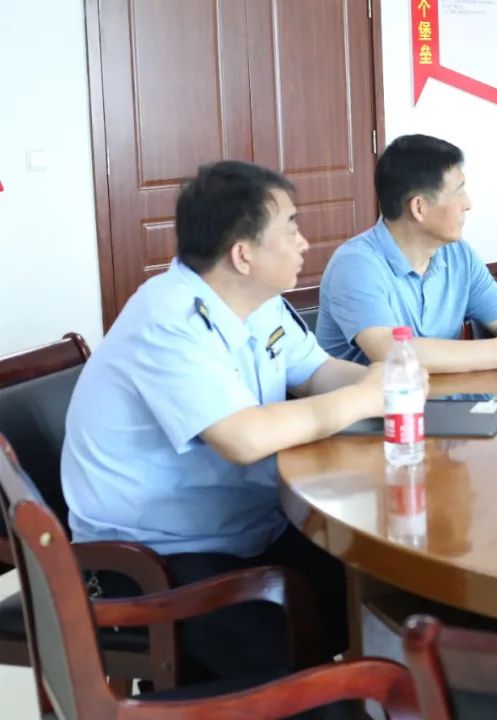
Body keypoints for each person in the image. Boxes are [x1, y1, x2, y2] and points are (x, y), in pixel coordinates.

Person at [61, 160, 412, 686]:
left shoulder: (259, 303)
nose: (304, 242)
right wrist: (363, 399)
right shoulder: (169, 320)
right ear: (243, 254)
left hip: (245, 526)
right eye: (290, 228)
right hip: (156, 559)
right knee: (288, 661)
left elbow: (316, 372)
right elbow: (243, 438)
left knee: (385, 584)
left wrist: (391, 382)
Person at [317, 134, 497, 373]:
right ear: (419, 208)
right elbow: (390, 351)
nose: (468, 204)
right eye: (458, 191)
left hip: (449, 401)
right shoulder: (356, 264)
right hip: (379, 407)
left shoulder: (457, 254)